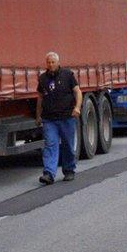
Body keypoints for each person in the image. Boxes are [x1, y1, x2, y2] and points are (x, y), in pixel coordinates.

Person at [35, 52, 82, 184]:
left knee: (67, 144)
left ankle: (69, 170)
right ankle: (49, 173)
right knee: (50, 144)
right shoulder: (43, 79)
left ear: (58, 63)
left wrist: (77, 107)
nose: (50, 65)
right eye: (48, 62)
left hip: (66, 117)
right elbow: (40, 98)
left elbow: (77, 92)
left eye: (53, 62)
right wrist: (38, 116)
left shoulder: (68, 75)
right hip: (49, 119)